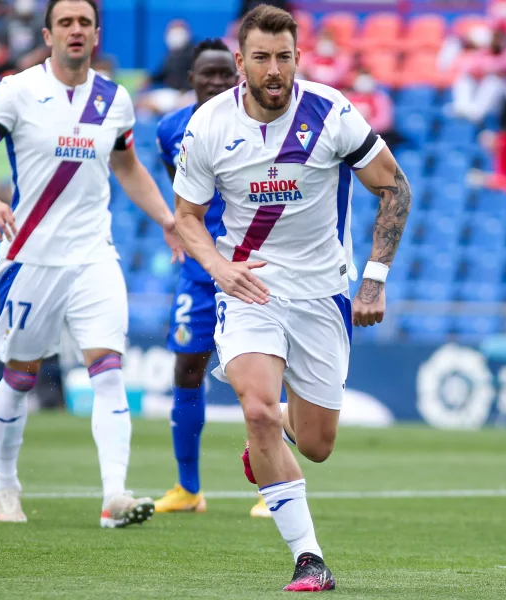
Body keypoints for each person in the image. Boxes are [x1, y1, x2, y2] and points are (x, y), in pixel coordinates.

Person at [173, 5, 411, 591]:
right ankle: (310, 559)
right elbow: (187, 217)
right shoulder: (208, 125)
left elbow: (394, 186)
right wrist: (217, 268)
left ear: (297, 58)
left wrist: (375, 277)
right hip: (251, 289)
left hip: (321, 294)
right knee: (255, 408)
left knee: (316, 445)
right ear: (241, 63)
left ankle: (273, 435)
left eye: (284, 57)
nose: (274, 69)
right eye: (262, 58)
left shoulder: (331, 114)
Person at [0, 0, 184, 527]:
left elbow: (128, 168)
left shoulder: (116, 99)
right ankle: (6, 487)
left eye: (84, 23)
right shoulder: (17, 90)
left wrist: (168, 219)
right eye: (66, 23)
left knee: (108, 370)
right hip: (31, 257)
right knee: (21, 376)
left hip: (94, 255)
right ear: (49, 33)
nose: (76, 31)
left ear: (97, 34)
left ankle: (114, 498)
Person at [153, 38, 271, 518]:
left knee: (265, 377)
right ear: (192, 79)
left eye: (227, 74)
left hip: (250, 267)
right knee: (186, 367)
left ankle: (272, 485)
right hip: (202, 272)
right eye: (209, 74)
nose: (219, 82)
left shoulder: (258, 120)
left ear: (238, 75)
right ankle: (188, 489)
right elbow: (182, 192)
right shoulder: (170, 130)